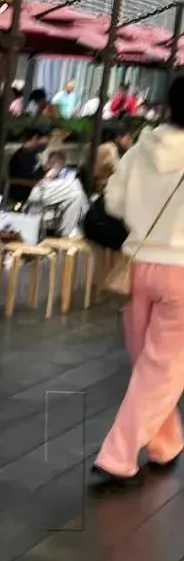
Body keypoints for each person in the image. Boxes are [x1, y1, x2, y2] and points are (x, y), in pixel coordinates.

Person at [93, 75, 184, 489]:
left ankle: (166, 444)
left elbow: (113, 202)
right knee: (161, 369)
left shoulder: (141, 148)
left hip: (136, 265)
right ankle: (118, 456)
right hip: (181, 270)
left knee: (147, 363)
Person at [26, 150, 88, 236]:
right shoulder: (41, 176)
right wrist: (48, 177)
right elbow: (38, 197)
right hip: (41, 217)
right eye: (51, 162)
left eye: (55, 162)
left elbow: (45, 196)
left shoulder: (70, 179)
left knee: (75, 194)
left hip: (58, 220)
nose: (49, 165)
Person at [7, 123, 52, 205]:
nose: (46, 144)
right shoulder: (23, 156)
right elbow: (12, 180)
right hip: (23, 196)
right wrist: (36, 183)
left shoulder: (32, 154)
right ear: (35, 138)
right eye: (45, 141)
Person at [94, 121, 134, 197]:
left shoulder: (102, 148)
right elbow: (121, 174)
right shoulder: (109, 149)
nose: (131, 141)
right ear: (117, 138)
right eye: (128, 137)